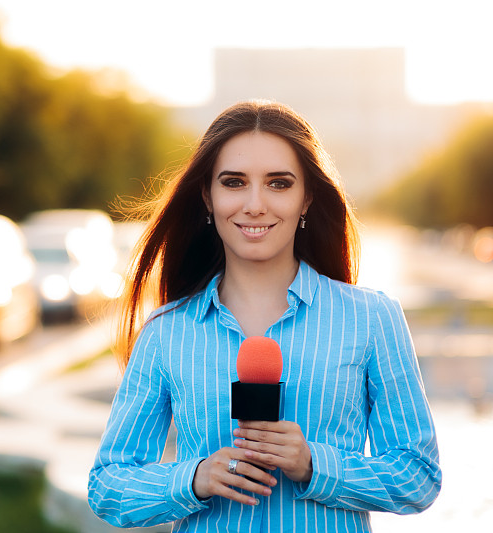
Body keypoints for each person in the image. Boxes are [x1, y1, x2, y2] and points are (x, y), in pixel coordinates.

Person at [87, 100, 441, 531]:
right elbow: (108, 486)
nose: (255, 205)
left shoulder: (372, 320)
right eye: (234, 183)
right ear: (207, 195)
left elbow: (419, 476)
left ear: (307, 196)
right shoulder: (165, 332)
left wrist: (315, 465)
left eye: (279, 183)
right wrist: (193, 478)